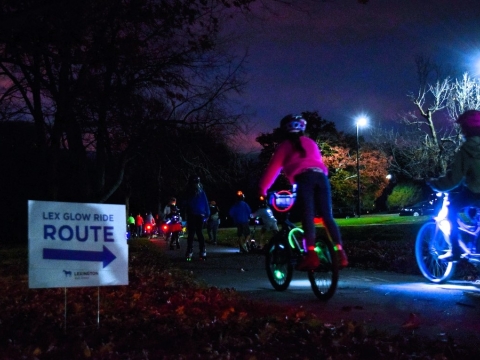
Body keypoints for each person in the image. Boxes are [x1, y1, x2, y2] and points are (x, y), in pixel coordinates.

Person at [258, 114, 348, 270]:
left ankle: (311, 255)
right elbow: (318, 162)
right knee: (327, 216)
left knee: (307, 215)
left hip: (304, 179)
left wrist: (262, 189)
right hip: (321, 178)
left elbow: (272, 170)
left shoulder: (285, 146)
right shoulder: (311, 143)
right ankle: (340, 253)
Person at [427, 109, 480, 262]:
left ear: (466, 128)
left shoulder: (467, 150)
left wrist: (435, 184)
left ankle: (455, 251)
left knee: (452, 210)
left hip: (476, 191)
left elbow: (453, 179)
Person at [184, 175, 210, 260]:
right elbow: (205, 202)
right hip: (200, 214)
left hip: (192, 213)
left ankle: (190, 250)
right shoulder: (201, 191)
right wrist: (207, 213)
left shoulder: (189, 191)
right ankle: (202, 250)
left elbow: (185, 202)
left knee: (192, 233)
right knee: (199, 232)